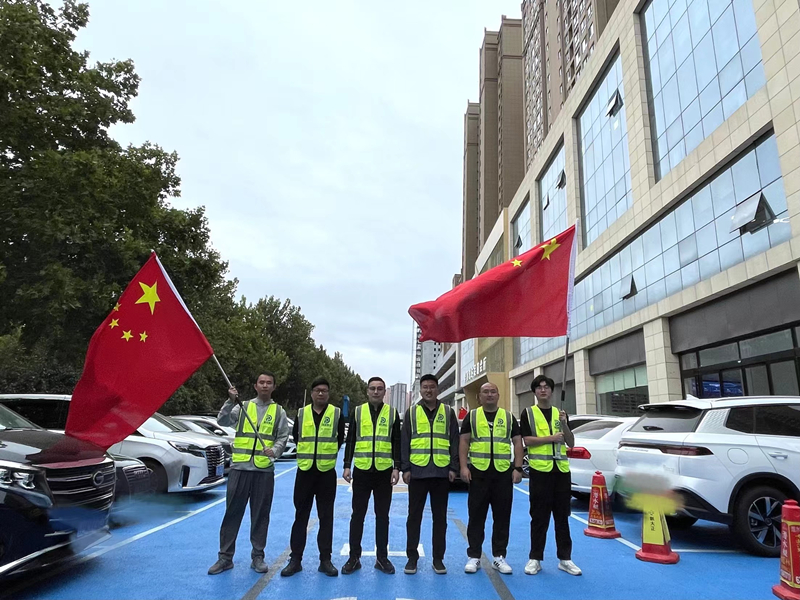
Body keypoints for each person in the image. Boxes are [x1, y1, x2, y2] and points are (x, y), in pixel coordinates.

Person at [208, 372, 289, 575]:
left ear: (274, 387)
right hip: (240, 468)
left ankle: (258, 556)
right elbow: (223, 421)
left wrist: (275, 451)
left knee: (260, 515)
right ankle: (225, 557)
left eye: (269, 383)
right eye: (261, 382)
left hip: (263, 471)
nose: (265, 385)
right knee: (232, 513)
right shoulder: (242, 406)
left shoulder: (279, 411)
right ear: (255, 386)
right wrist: (230, 401)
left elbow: (282, 437)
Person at [281, 377, 346, 578]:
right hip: (305, 473)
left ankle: (325, 560)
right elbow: (297, 437)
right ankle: (295, 559)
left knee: (326, 518)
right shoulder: (302, 413)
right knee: (300, 516)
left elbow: (339, 440)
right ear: (311, 393)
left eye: (324, 390)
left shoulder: (336, 414)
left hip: (326, 474)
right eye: (317, 390)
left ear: (328, 393)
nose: (320, 393)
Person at [459, 382, 523, 575]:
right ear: (479, 396)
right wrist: (464, 467)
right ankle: (474, 556)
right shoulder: (472, 416)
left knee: (502, 517)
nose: (489, 395)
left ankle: (499, 556)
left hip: (503, 474)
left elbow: (517, 443)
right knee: (476, 516)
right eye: (485, 392)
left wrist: (518, 468)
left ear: (498, 395)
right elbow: (464, 441)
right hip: (478, 473)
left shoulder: (508, 417)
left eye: (492, 391)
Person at [520, 374, 581, 576]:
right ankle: (535, 558)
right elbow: (527, 441)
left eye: (546, 387)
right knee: (539, 516)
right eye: (539, 387)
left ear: (552, 391)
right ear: (535, 392)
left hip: (561, 472)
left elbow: (570, 442)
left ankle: (565, 559)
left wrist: (564, 424)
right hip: (540, 472)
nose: (543, 390)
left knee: (562, 516)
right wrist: (551, 438)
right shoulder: (528, 413)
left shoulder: (560, 413)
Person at [341, 377, 401, 575]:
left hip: (384, 472)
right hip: (362, 470)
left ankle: (382, 558)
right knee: (357, 515)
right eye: (372, 388)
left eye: (380, 389)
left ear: (384, 392)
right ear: (367, 391)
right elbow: (351, 440)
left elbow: (396, 442)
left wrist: (397, 467)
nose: (376, 392)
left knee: (382, 516)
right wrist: (347, 465)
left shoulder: (392, 413)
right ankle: (354, 558)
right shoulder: (358, 412)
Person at [400, 373, 459, 575]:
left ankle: (438, 559)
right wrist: (405, 468)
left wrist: (454, 468)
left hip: (441, 473)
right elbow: (405, 442)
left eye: (432, 387)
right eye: (425, 387)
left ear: (438, 389)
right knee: (414, 517)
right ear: (420, 390)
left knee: (440, 519)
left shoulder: (448, 412)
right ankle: (412, 558)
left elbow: (454, 441)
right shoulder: (411, 412)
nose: (428, 390)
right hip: (417, 472)